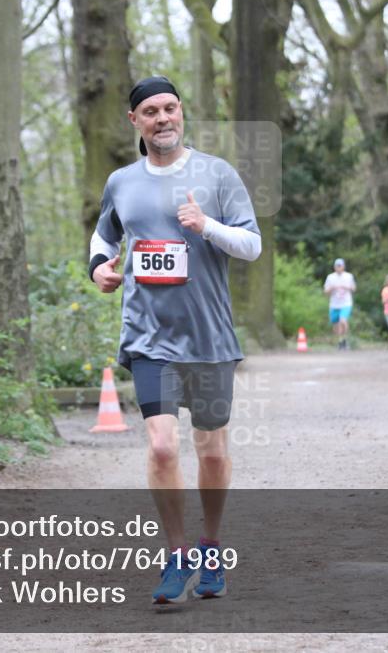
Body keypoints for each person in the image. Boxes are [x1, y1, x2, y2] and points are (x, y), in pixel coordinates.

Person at [88, 76, 261, 604]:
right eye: (150, 112)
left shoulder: (218, 174)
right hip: (148, 337)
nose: (163, 118)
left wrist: (206, 225)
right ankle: (177, 555)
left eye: (170, 108)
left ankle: (211, 547)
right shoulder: (122, 181)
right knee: (162, 446)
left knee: (211, 452)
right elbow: (105, 234)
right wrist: (99, 268)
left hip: (208, 337)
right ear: (134, 121)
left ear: (181, 113)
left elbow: (251, 244)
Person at [323, 258, 356, 350]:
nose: (339, 268)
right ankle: (340, 341)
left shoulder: (349, 276)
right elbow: (326, 291)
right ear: (334, 267)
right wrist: (332, 288)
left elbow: (354, 288)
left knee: (343, 321)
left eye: (340, 266)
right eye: (337, 266)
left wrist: (346, 287)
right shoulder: (330, 277)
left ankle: (345, 339)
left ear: (343, 266)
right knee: (336, 325)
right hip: (334, 304)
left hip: (346, 303)